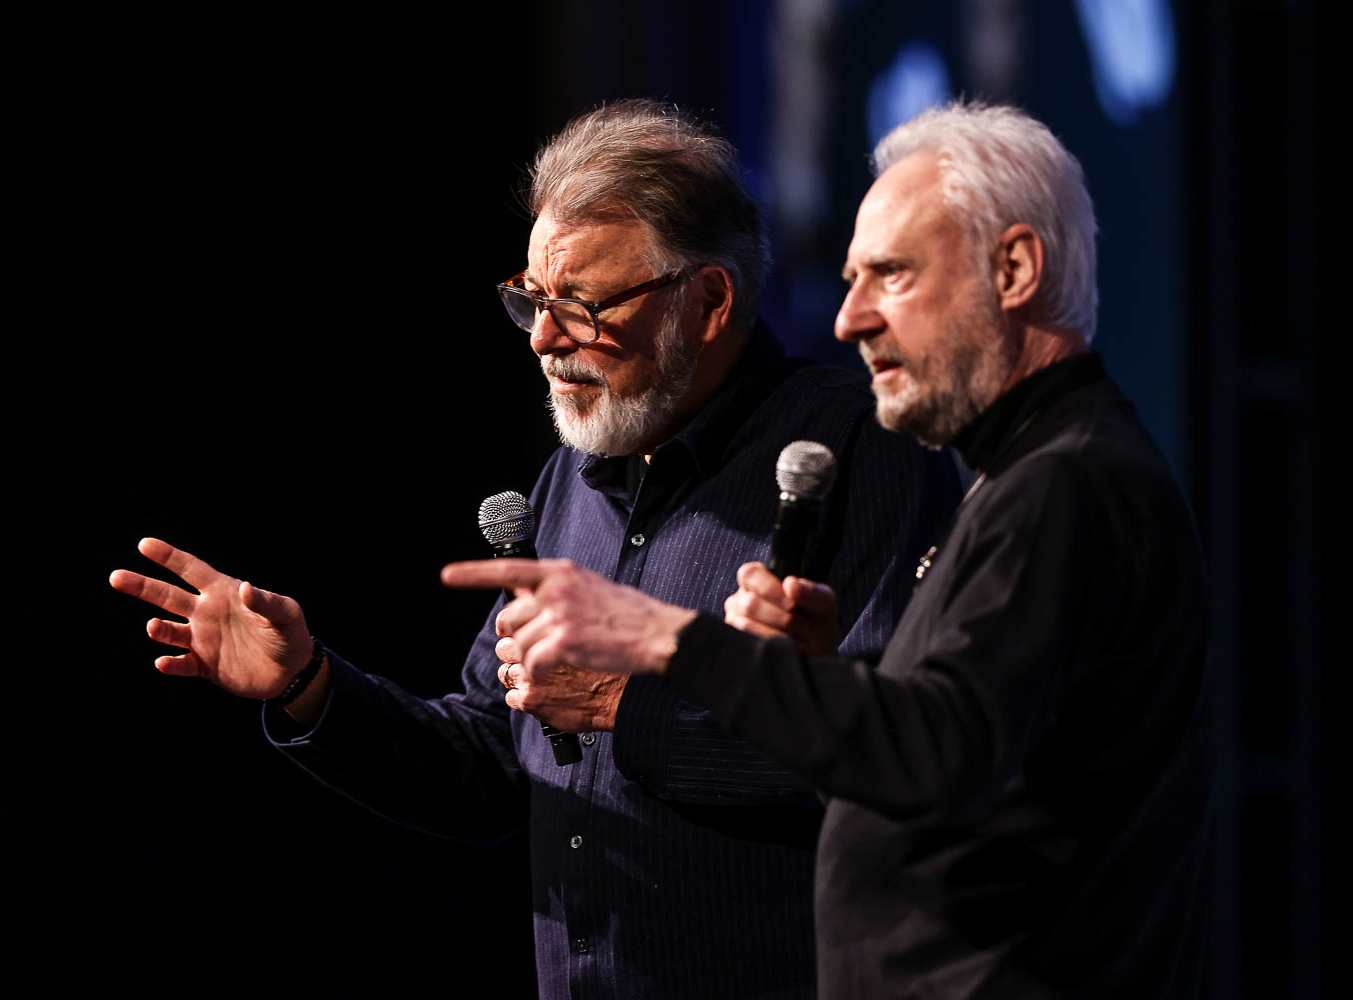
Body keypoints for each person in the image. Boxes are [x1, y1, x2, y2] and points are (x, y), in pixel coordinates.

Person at [110, 99, 960, 998]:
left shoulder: (855, 453)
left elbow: (899, 762)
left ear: (708, 301)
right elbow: (488, 765)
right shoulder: (572, 481)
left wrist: (622, 708)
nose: (547, 341)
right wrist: (308, 684)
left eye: (584, 306)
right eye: (533, 300)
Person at [445, 101, 1212, 997]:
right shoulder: (1035, 479)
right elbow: (925, 740)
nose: (850, 319)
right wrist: (803, 678)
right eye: (850, 279)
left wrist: (669, 645)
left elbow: (937, 760)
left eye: (890, 275)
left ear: (1013, 268)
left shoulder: (1068, 484)